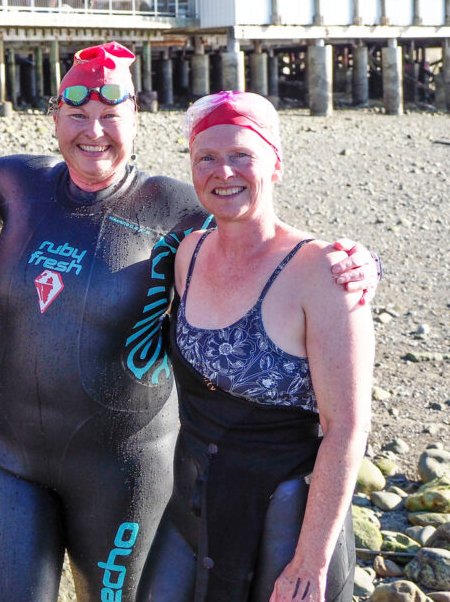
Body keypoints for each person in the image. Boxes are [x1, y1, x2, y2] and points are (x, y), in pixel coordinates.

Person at [0, 43, 379, 602]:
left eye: (110, 116)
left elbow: (264, 237)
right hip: (6, 456)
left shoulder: (177, 210)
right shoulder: (19, 185)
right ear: (54, 116)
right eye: (77, 114)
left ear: (135, 118)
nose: (93, 132)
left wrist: (358, 264)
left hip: (124, 468)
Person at [137, 91, 371, 602]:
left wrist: (310, 562)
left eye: (242, 154)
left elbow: (347, 427)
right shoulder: (186, 255)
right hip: (192, 506)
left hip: (288, 525)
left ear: (277, 163)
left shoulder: (325, 273)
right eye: (207, 158)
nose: (224, 171)